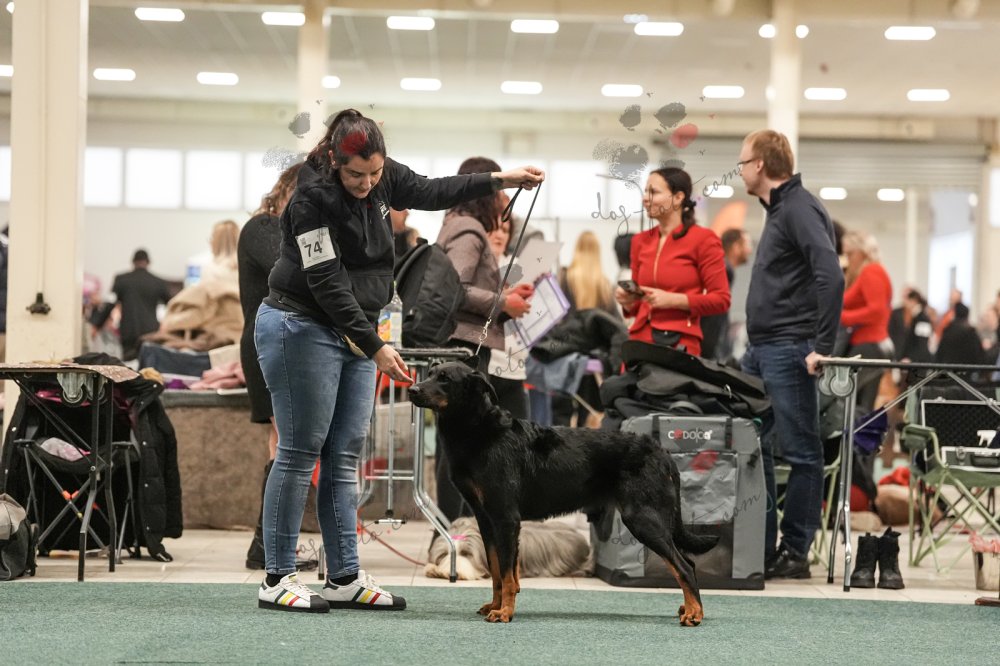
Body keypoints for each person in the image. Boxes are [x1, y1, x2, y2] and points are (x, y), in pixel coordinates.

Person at [254, 109, 543, 613]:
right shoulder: (309, 198)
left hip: (355, 334)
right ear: (333, 160)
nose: (367, 184)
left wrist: (501, 179)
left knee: (345, 455)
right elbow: (325, 282)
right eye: (355, 175)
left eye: (375, 173)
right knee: (300, 452)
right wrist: (375, 345)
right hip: (301, 325)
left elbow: (433, 190)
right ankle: (277, 577)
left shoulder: (384, 177)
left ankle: (343, 577)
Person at [737, 129, 845, 580]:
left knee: (801, 451)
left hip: (789, 347)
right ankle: (762, 546)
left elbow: (831, 275)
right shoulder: (779, 209)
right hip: (763, 349)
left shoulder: (798, 208)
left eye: (743, 162)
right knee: (752, 442)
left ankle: (796, 551)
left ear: (760, 165)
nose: (741, 170)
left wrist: (823, 346)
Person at [434, 156, 534, 522]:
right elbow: (456, 290)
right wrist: (504, 302)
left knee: (460, 445)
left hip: (463, 345)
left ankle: (457, 531)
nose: (503, 200)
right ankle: (456, 532)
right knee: (463, 449)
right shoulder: (468, 230)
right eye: (499, 189)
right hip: (463, 347)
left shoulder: (457, 225)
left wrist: (503, 299)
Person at [238, 162, 303, 570]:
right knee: (284, 442)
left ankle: (269, 544)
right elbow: (291, 270)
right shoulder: (262, 227)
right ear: (286, 191)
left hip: (283, 341)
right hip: (268, 344)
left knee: (282, 442)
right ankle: (268, 545)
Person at [614, 167, 730, 358]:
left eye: (654, 192)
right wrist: (627, 301)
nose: (645, 198)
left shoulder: (704, 239)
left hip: (679, 343)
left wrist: (673, 300)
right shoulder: (639, 241)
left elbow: (721, 300)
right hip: (640, 340)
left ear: (678, 198)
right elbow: (638, 304)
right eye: (645, 191)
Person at [552, 230, 620, 427]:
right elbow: (614, 323)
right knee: (588, 411)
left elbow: (556, 316)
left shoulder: (564, 277)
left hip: (567, 352)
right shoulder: (604, 284)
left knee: (561, 411)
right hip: (594, 357)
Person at [840, 230, 893, 414]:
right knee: (859, 401)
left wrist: (844, 317)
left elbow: (876, 310)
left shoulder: (871, 271)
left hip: (870, 344)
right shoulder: (870, 272)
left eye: (850, 254)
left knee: (856, 402)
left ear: (862, 252)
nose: (848, 259)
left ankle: (857, 432)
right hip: (870, 343)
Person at [700, 228, 752, 363]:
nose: (750, 250)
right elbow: (715, 317)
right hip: (708, 350)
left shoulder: (723, 269)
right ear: (736, 247)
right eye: (747, 244)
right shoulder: (724, 269)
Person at [111, 249, 172, 361]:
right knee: (148, 364)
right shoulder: (158, 282)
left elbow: (111, 303)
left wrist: (96, 324)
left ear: (133, 262)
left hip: (128, 331)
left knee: (127, 365)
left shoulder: (121, 280)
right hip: (150, 332)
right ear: (148, 262)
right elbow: (171, 305)